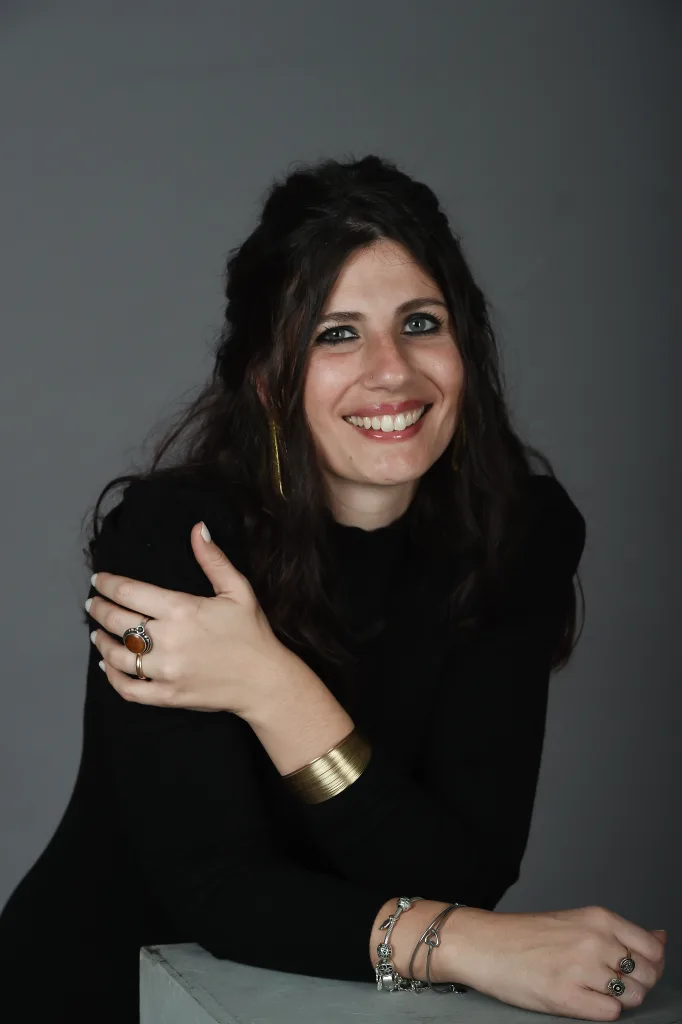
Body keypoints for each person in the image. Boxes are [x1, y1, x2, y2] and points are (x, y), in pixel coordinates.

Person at [0, 154, 666, 1023]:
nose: (392, 370)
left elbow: (461, 872)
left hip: (334, 1003)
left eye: (421, 323)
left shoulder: (520, 532)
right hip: (104, 992)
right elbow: (216, 891)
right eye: (336, 334)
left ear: (465, 349)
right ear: (269, 379)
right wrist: (465, 946)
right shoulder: (175, 542)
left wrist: (270, 686)